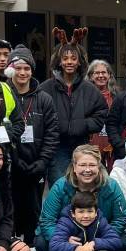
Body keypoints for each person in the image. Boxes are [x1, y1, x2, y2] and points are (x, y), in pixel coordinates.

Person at [3, 45, 59, 251]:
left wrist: (42, 162)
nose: (22, 73)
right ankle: (12, 245)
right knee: (10, 204)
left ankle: (32, 245)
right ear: (11, 70)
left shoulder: (43, 98)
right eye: (18, 68)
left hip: (36, 162)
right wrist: (13, 158)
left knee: (34, 205)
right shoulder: (2, 94)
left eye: (27, 68)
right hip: (10, 162)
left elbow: (52, 133)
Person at [36, 145, 126, 251]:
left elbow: (121, 218)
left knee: (122, 241)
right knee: (41, 241)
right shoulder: (60, 186)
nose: (87, 169)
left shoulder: (111, 186)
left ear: (99, 166)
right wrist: (62, 239)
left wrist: (99, 241)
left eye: (92, 165)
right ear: (74, 167)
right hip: (67, 235)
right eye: (82, 165)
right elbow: (47, 220)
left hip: (99, 234)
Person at [41, 27, 109, 187]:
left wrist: (82, 125)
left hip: (82, 145)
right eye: (65, 58)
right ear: (59, 61)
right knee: (60, 187)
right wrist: (55, 127)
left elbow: (101, 113)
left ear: (80, 61)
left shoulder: (89, 88)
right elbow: (39, 115)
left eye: (73, 58)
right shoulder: (46, 88)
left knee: (82, 186)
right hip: (56, 147)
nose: (69, 62)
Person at [87, 59, 119, 163]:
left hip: (112, 146)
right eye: (97, 73)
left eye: (104, 72)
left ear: (109, 75)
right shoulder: (84, 97)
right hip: (89, 147)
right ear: (91, 76)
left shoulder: (118, 97)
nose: (101, 75)